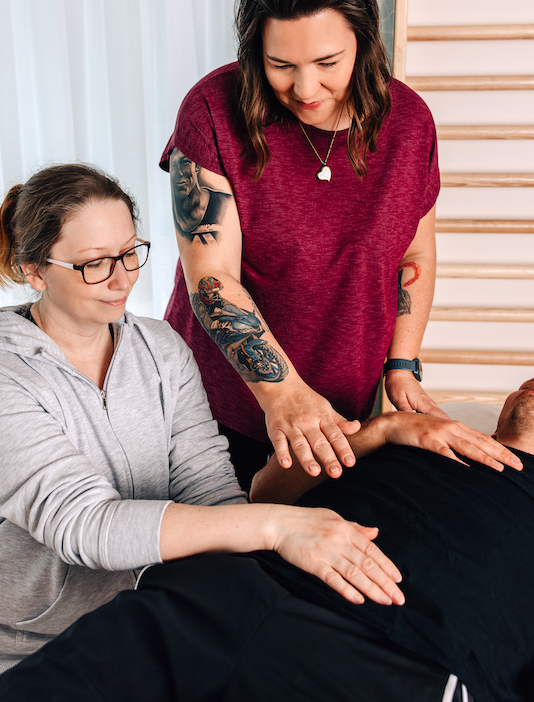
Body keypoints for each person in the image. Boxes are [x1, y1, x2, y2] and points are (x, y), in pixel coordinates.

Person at [0, 162, 411, 673]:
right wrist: (278, 527)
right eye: (95, 263)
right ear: (34, 270)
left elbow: (212, 497)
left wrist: (377, 433)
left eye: (130, 253)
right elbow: (87, 526)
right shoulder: (8, 374)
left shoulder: (161, 348)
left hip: (158, 620)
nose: (121, 278)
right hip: (39, 652)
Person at [0, 382, 531, 702]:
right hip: (226, 591)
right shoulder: (424, 433)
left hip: (396, 655)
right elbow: (261, 492)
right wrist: (384, 430)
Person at [160, 0, 445, 491]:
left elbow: (414, 249)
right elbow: (212, 276)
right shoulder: (212, 110)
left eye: (327, 62)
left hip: (345, 405)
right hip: (216, 403)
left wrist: (402, 364)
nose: (306, 87)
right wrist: (282, 393)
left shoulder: (408, 122)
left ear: (364, 42)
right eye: (280, 65)